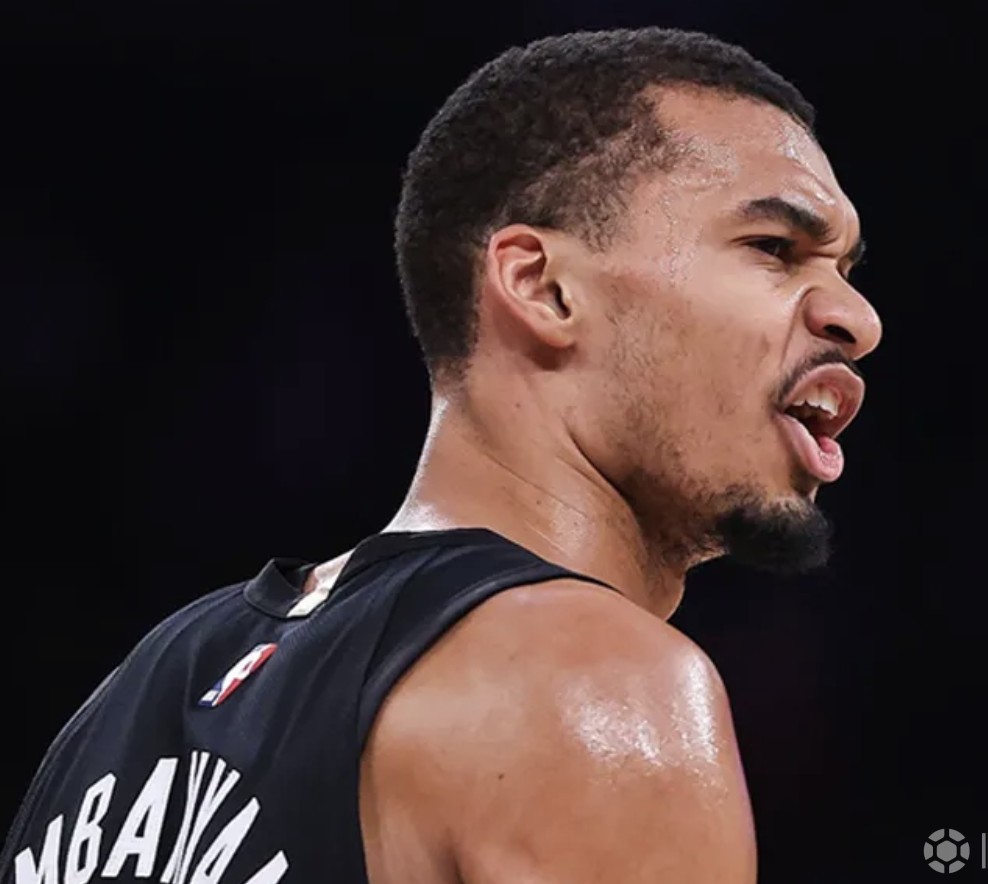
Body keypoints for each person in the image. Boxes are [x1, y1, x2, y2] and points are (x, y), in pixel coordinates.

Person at [3, 26, 880, 884]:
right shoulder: (597, 687)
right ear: (542, 287)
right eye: (775, 249)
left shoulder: (129, 702)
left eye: (845, 269)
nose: (857, 319)